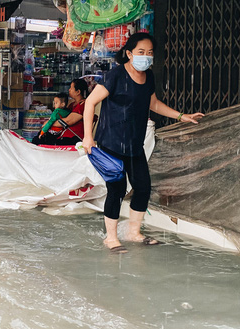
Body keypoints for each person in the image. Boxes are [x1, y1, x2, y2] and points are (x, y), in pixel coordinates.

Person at [82, 33, 205, 253]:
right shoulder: (116, 76)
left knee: (143, 188)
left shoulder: (148, 77)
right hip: (111, 143)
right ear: (129, 53)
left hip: (134, 143)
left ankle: (133, 233)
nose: (146, 57)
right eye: (141, 52)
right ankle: (110, 238)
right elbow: (90, 103)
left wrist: (181, 116)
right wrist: (88, 137)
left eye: (149, 53)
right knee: (117, 190)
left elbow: (154, 104)